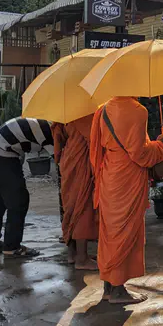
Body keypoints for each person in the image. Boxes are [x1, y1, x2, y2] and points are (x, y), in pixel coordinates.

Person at [89, 97, 163, 304]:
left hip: (109, 174)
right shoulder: (138, 110)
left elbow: (98, 148)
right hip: (128, 176)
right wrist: (161, 145)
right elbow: (140, 154)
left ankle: (109, 287)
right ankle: (117, 291)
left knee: (111, 231)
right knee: (125, 232)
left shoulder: (104, 108)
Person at [0, 117, 54, 258]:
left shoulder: (42, 125)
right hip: (2, 155)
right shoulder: (49, 132)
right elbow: (61, 160)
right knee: (19, 201)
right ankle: (12, 247)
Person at [53, 115, 98, 271]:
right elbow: (94, 140)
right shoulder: (86, 114)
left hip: (68, 158)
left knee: (71, 208)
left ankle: (72, 254)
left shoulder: (66, 112)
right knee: (82, 208)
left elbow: (58, 138)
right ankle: (82, 258)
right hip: (81, 160)